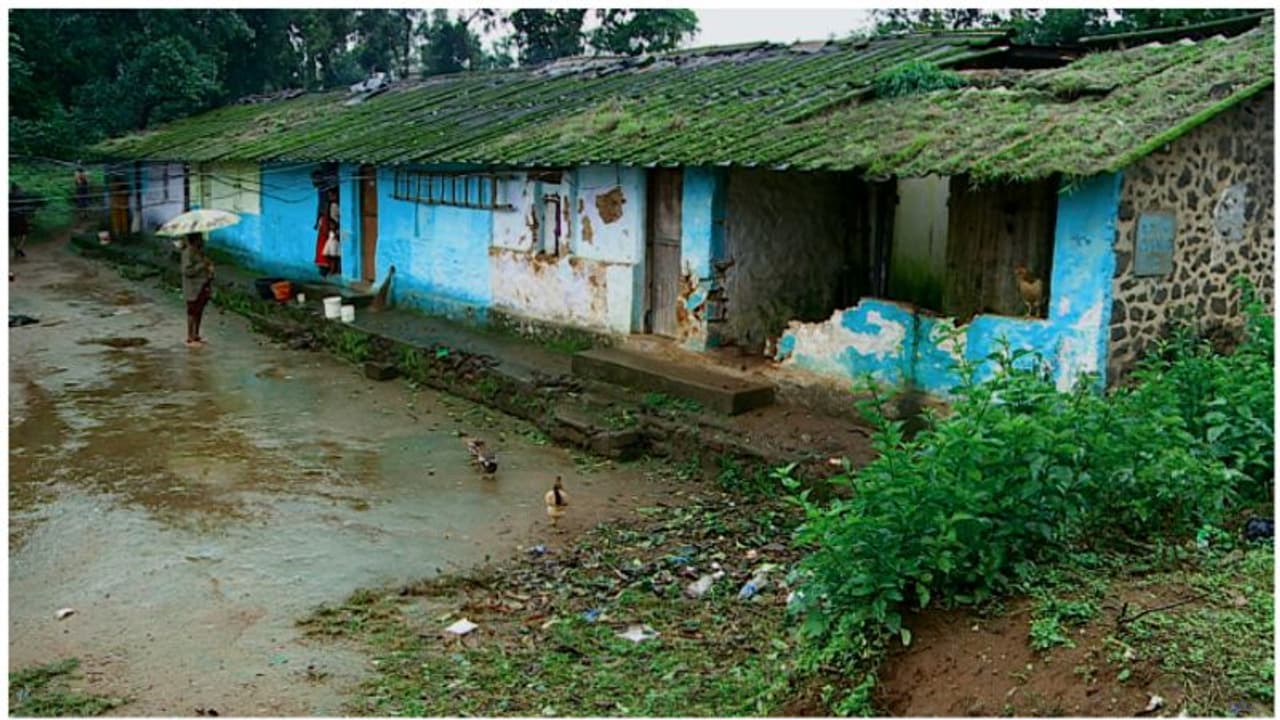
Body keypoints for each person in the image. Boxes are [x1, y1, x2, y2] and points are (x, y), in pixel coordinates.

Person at [181, 233, 214, 347]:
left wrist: (209, 270)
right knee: (192, 312)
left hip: (202, 286)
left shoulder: (199, 252)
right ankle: (190, 337)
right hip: (192, 288)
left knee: (199, 311)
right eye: (200, 239)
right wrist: (202, 265)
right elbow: (187, 271)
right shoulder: (188, 253)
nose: (202, 241)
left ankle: (196, 334)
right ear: (195, 240)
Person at [314, 188, 339, 277]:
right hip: (328, 231)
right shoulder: (331, 206)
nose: (331, 196)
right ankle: (330, 269)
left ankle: (330, 269)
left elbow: (334, 219)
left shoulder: (332, 206)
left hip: (328, 231)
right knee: (330, 251)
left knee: (330, 251)